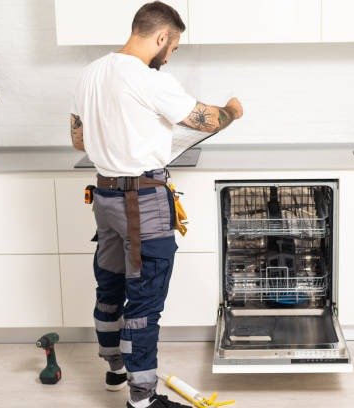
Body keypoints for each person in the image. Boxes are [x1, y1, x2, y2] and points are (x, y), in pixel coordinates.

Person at [69, 2, 243, 408]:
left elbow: (78, 140)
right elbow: (207, 119)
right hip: (143, 203)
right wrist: (232, 110)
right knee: (145, 301)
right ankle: (143, 399)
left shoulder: (90, 73)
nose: (170, 55)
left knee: (109, 287)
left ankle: (115, 370)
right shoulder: (149, 79)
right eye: (173, 47)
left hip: (105, 198)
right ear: (162, 36)